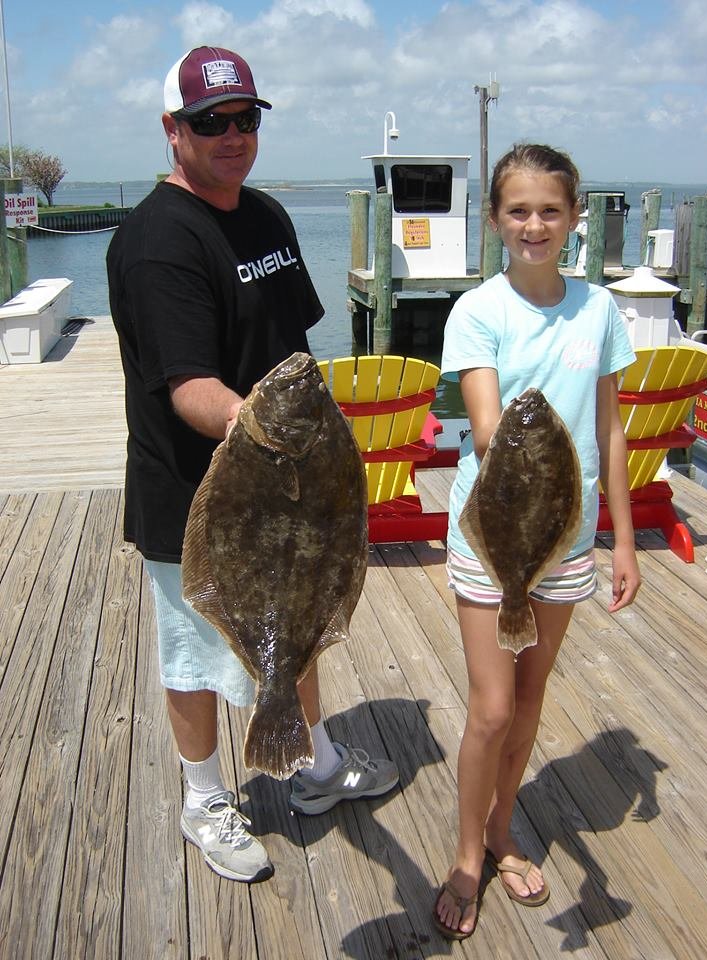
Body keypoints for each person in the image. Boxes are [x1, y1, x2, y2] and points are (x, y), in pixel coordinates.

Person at [107, 46, 398, 885]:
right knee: (196, 655)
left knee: (298, 627)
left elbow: (296, 351)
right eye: (210, 123)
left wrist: (317, 441)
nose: (232, 137)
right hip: (196, 500)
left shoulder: (264, 215)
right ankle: (204, 799)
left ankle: (310, 764)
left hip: (291, 487)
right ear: (173, 131)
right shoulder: (158, 242)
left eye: (245, 120)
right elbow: (188, 386)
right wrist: (267, 429)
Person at [434, 143, 641, 939]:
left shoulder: (599, 310)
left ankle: (500, 829)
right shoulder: (478, 312)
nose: (534, 223)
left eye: (550, 210)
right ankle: (463, 855)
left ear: (574, 219)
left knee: (528, 703)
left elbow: (611, 432)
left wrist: (621, 541)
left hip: (572, 543)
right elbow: (488, 432)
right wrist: (525, 439)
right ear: (495, 220)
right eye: (518, 210)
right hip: (492, 547)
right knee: (489, 709)